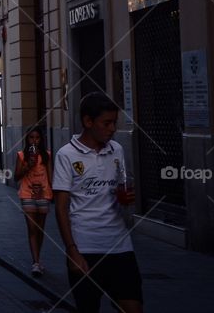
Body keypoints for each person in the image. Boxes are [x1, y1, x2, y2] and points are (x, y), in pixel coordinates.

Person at [53, 92, 143, 313]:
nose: (113, 128)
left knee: (133, 307)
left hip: (120, 245)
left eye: (115, 122)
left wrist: (126, 200)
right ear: (88, 121)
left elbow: (122, 186)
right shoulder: (66, 155)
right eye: (107, 123)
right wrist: (72, 251)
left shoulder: (117, 150)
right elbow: (61, 207)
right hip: (85, 248)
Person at [14, 125, 53, 277]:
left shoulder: (47, 155)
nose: (34, 141)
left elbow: (50, 176)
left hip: (43, 194)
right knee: (31, 228)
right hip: (27, 193)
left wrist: (54, 193)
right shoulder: (21, 155)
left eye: (37, 138)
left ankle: (38, 257)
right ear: (27, 139)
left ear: (41, 140)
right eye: (31, 138)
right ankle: (35, 262)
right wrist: (27, 166)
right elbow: (16, 176)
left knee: (40, 229)